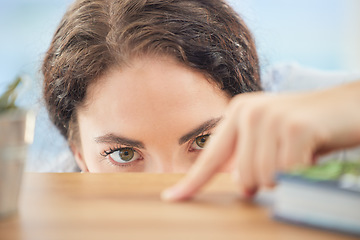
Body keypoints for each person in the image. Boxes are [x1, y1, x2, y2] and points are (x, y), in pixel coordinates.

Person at [42, 0, 360, 200]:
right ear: (79, 156)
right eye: (124, 155)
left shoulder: (309, 115)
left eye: (205, 140)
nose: (170, 190)